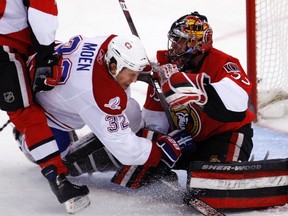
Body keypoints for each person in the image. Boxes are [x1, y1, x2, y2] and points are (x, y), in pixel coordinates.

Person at [25, 34, 194, 185]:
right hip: (48, 110)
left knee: (131, 114)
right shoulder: (98, 93)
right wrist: (160, 152)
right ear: (114, 67)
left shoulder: (109, 46)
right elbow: (127, 151)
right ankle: (23, 136)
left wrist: (154, 70)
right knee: (55, 156)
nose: (135, 80)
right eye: (131, 75)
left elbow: (128, 60)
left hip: (49, 68)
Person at [0, 0, 89, 213]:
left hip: (15, 45)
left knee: (26, 110)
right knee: (26, 114)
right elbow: (43, 8)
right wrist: (45, 53)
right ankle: (58, 178)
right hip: (7, 48)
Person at [142, 11, 255, 168]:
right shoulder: (164, 67)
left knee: (212, 181)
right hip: (186, 140)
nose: (173, 46)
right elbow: (154, 123)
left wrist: (186, 83)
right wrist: (163, 146)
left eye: (178, 40)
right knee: (144, 141)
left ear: (195, 44)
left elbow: (237, 103)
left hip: (224, 135)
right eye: (173, 40)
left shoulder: (223, 63)